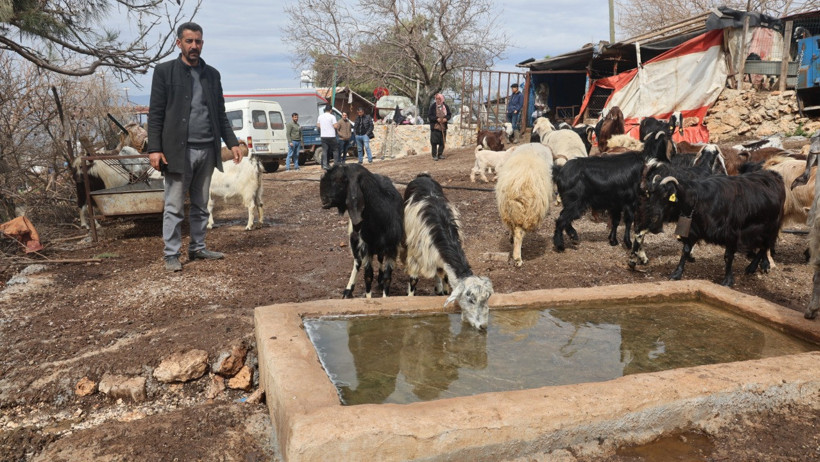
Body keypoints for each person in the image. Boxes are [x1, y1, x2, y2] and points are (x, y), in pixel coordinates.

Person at [147, 21, 243, 273]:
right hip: (178, 152)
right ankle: (171, 254)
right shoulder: (164, 72)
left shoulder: (212, 75)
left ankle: (198, 247)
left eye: (198, 41)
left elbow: (220, 114)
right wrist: (154, 148)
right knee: (174, 206)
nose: (194, 46)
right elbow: (156, 114)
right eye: (189, 41)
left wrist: (232, 142)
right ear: (179, 43)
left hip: (207, 150)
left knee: (201, 204)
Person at [427, 93, 451, 160]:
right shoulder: (433, 106)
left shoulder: (445, 106)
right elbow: (430, 115)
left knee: (442, 142)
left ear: (442, 99)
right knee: (434, 142)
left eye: (439, 99)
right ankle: (434, 155)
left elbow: (449, 114)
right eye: (436, 99)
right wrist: (436, 118)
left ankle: (440, 154)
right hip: (435, 127)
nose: (437, 100)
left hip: (443, 127)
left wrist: (446, 119)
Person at [317, 104, 338, 169]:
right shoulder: (332, 116)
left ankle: (325, 165)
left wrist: (324, 128)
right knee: (335, 150)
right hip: (331, 136)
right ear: (330, 110)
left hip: (323, 136)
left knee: (325, 151)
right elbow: (335, 126)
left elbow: (318, 125)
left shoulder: (320, 116)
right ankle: (336, 164)